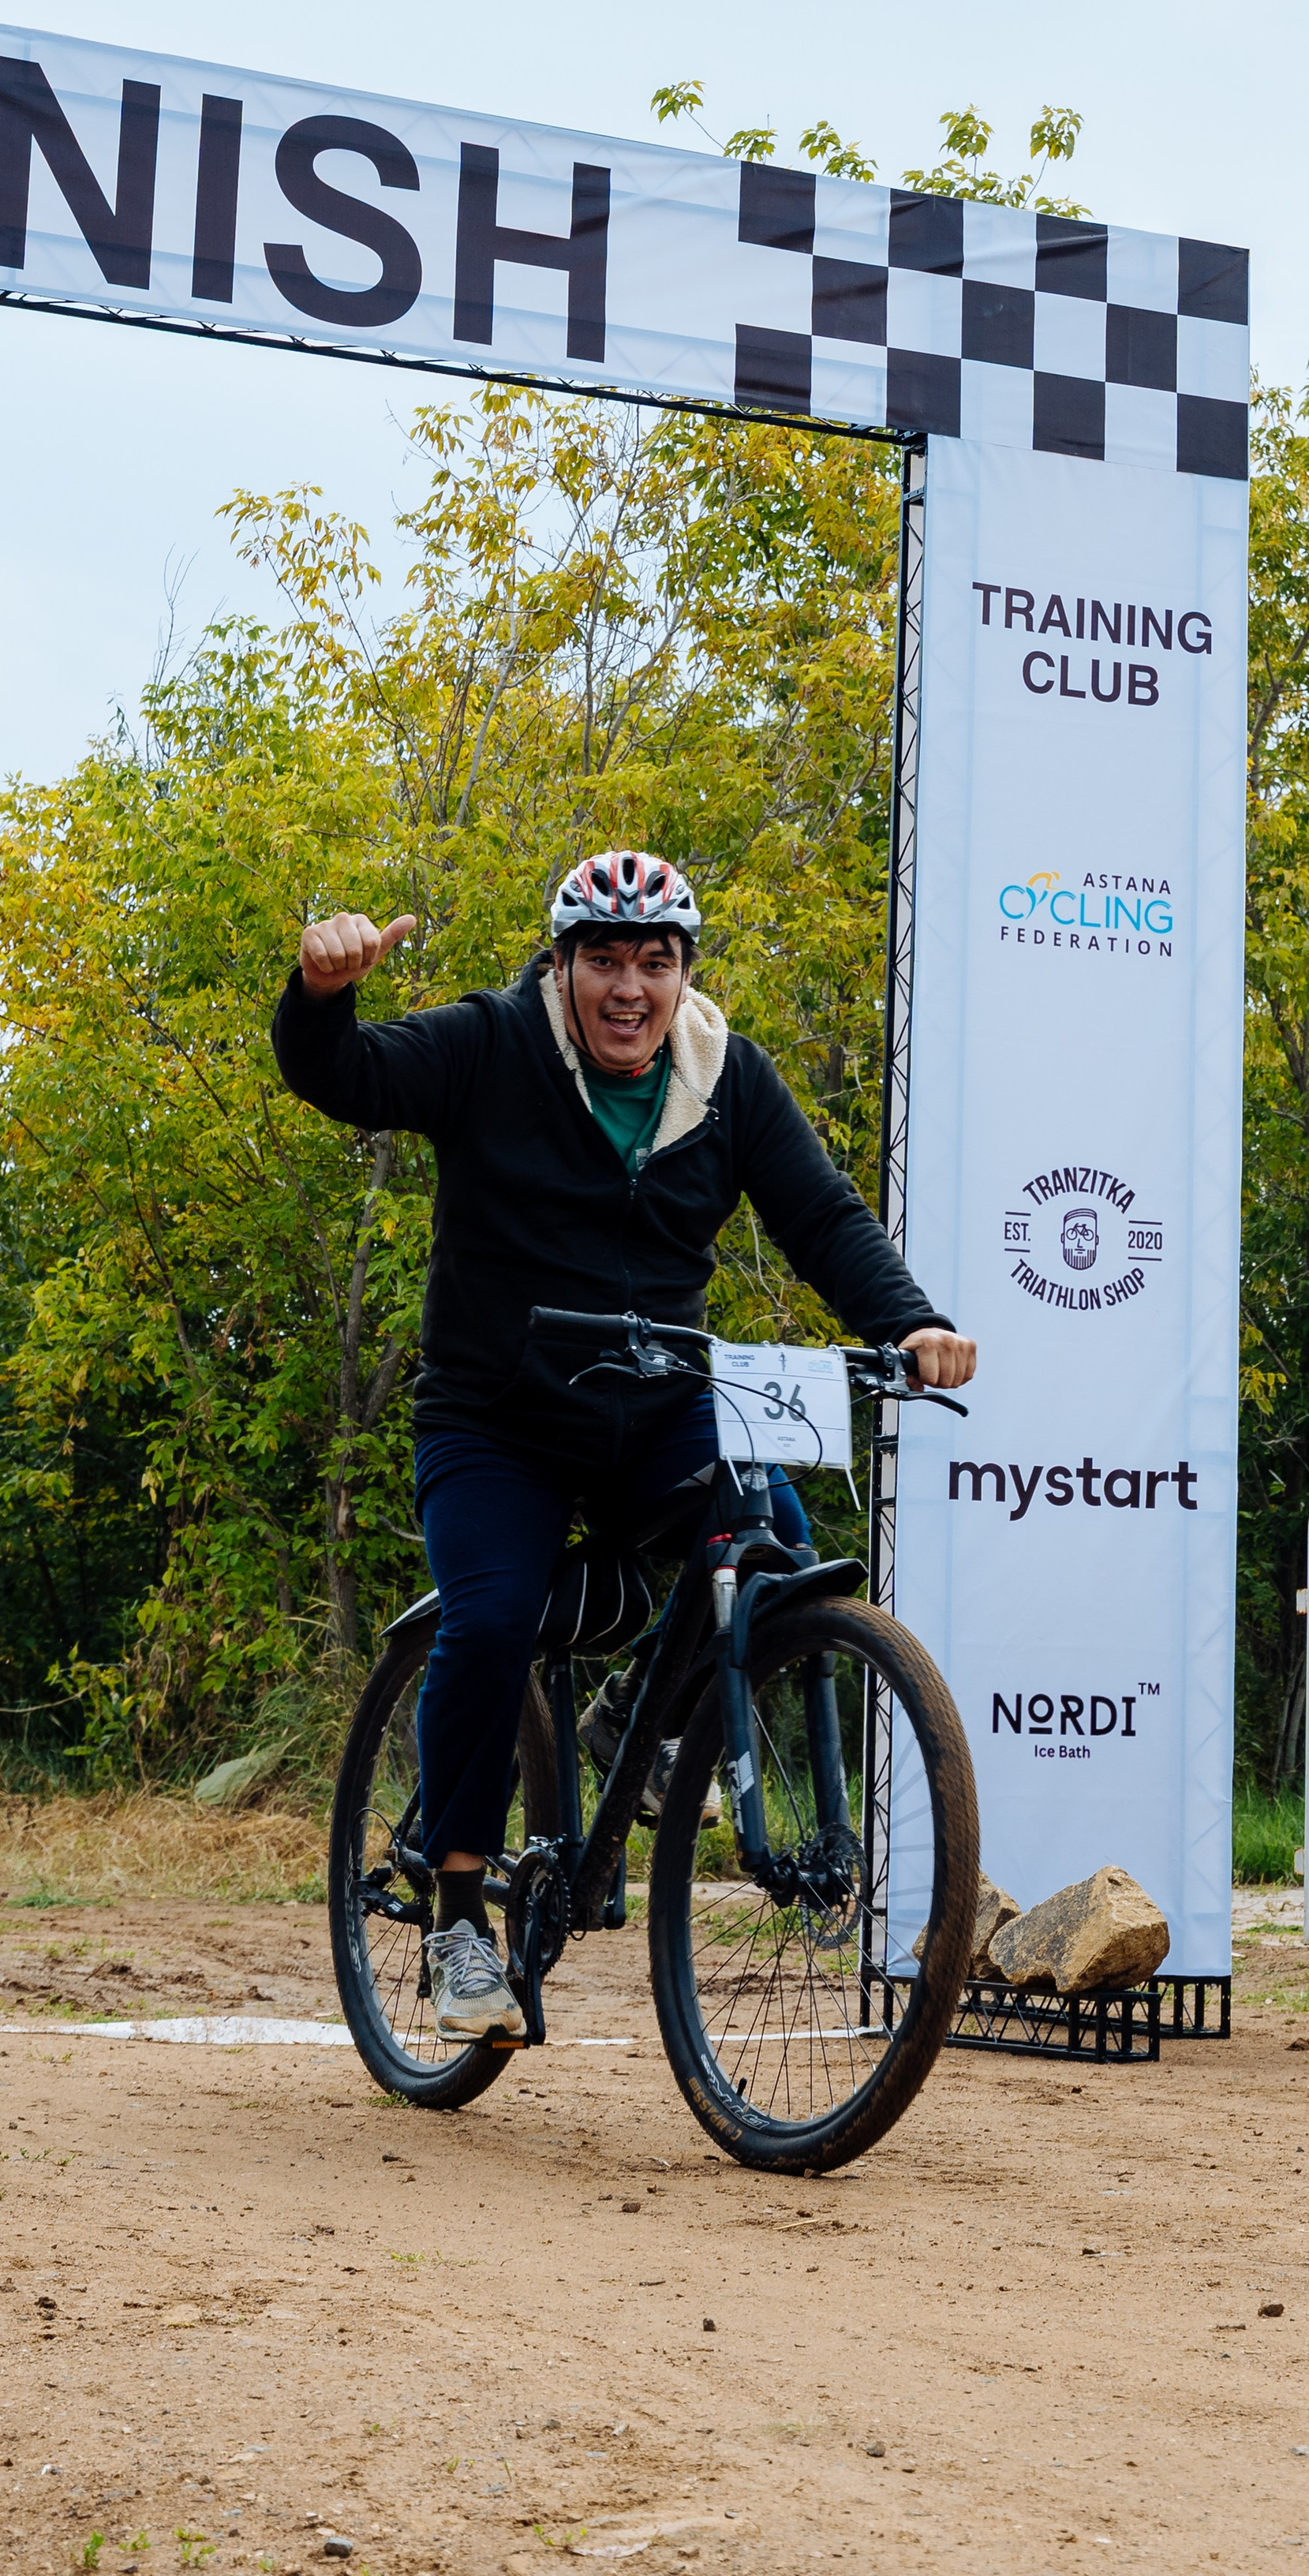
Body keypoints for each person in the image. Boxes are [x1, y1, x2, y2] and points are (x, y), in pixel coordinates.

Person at [272, 850, 975, 2043]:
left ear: (685, 973)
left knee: (776, 1547)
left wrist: (910, 1319)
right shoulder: (493, 1045)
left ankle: (630, 1734)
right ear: (563, 965)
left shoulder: (726, 1077)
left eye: (657, 960)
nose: (630, 987)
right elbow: (343, 1073)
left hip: (656, 1406)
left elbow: (819, 1215)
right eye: (604, 959)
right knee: (489, 1618)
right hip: (499, 1420)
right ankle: (457, 1921)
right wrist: (321, 993)